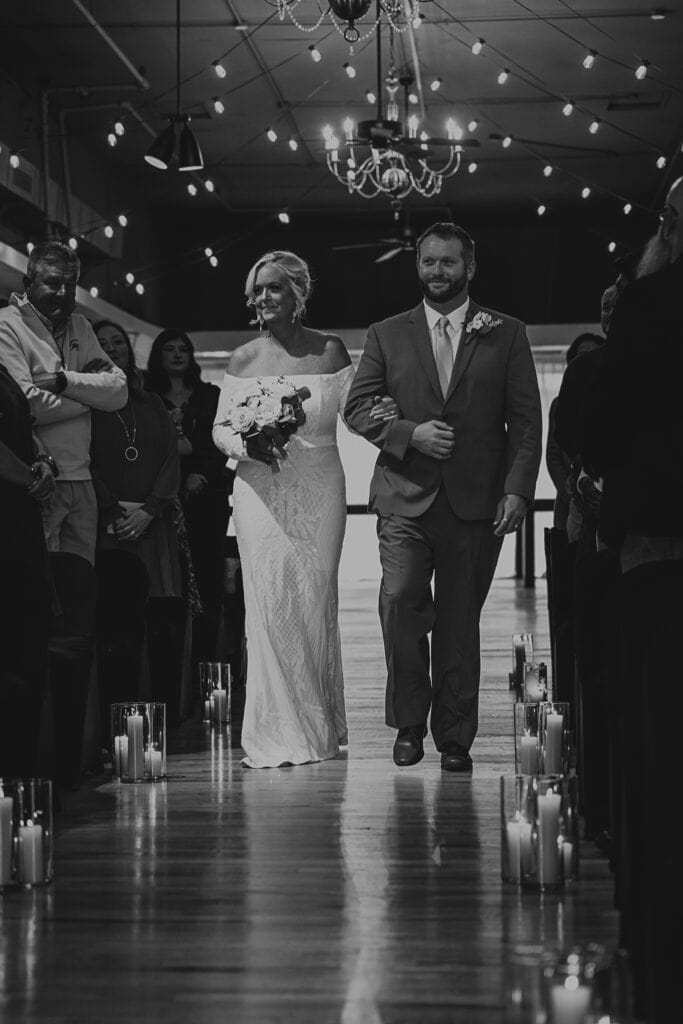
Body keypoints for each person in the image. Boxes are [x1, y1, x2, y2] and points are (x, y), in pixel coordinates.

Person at [344, 221, 542, 772]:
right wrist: (410, 435)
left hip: (475, 503)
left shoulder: (507, 332)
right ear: (418, 265)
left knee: (459, 622)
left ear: (469, 267)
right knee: (401, 604)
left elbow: (525, 421)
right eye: (429, 261)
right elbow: (357, 407)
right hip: (402, 496)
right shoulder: (387, 333)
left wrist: (518, 491)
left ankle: (455, 735)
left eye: (448, 262)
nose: (437, 272)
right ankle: (408, 725)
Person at [583, 176, 683, 1024]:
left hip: (661, 543)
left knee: (660, 753)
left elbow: (608, 425)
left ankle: (657, 956)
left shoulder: (650, 307)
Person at [212, 250, 357, 769]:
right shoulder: (243, 359)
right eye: (256, 290)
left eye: (274, 288)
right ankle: (277, 733)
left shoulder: (331, 351)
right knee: (268, 603)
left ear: (298, 293)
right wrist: (248, 446)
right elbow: (220, 428)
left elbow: (357, 413)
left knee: (314, 600)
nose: (263, 298)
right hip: (259, 490)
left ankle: (317, 727)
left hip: (319, 487)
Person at [0, 242, 127, 564]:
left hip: (83, 479)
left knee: (82, 585)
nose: (63, 292)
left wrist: (64, 382)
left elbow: (119, 392)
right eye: (54, 283)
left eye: (70, 284)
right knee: (44, 588)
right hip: (39, 478)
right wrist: (90, 398)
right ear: (28, 284)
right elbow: (25, 407)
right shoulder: (6, 325)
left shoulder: (81, 326)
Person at [90, 320, 187, 729]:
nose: (114, 348)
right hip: (109, 527)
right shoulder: (87, 404)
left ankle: (163, 719)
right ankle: (119, 724)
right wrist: (113, 511)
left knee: (161, 624)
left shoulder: (151, 404)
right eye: (104, 343)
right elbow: (83, 459)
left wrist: (149, 509)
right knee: (119, 628)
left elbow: (171, 459)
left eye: (119, 342)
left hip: (153, 522)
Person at [145, 329, 233, 688]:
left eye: (184, 349)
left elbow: (222, 441)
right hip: (164, 502)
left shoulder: (210, 395)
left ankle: (205, 679)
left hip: (206, 499)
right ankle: (171, 681)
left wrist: (201, 474)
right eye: (170, 349)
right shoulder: (148, 397)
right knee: (171, 588)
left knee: (209, 586)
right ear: (158, 355)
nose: (178, 355)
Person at [0, 360, 55, 778]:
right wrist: (28, 478)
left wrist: (44, 464)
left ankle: (23, 776)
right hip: (9, 507)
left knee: (26, 641)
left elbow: (26, 429)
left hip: (19, 515)